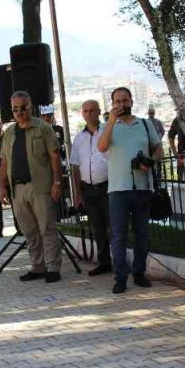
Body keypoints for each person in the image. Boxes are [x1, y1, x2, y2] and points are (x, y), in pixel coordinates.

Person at [98, 87, 163, 294]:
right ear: (112, 104)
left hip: (142, 187)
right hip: (117, 189)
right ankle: (120, 277)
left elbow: (158, 148)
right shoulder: (107, 126)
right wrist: (110, 122)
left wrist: (151, 162)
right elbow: (101, 147)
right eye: (117, 102)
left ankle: (139, 272)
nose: (121, 105)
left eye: (125, 101)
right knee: (118, 235)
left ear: (132, 101)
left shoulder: (144, 124)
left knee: (142, 233)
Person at [0, 91, 63, 282]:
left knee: (47, 228)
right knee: (29, 230)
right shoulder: (9, 132)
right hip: (18, 189)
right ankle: (38, 266)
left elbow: (54, 157)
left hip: (40, 186)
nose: (19, 112)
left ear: (30, 106)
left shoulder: (43, 127)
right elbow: (4, 161)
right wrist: (2, 186)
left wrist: (57, 183)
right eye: (15, 109)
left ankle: (53, 267)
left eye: (23, 107)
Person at [70, 100, 112, 276]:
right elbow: (75, 166)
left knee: (114, 226)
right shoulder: (79, 138)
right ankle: (104, 262)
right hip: (89, 189)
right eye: (85, 111)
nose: (88, 114)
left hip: (108, 187)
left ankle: (119, 261)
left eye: (92, 110)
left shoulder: (108, 133)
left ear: (98, 112)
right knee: (97, 228)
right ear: (82, 114)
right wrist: (77, 194)